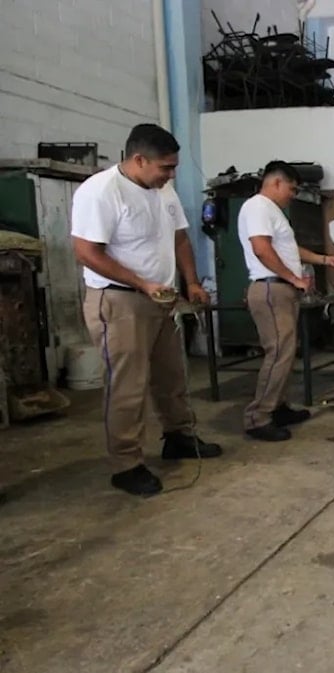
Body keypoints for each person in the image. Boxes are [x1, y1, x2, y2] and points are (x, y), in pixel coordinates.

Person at [71, 123, 222, 497]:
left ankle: (178, 437)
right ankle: (126, 464)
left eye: (173, 167)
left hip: (161, 299)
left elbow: (180, 238)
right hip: (119, 301)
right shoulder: (102, 191)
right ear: (139, 159)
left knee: (172, 376)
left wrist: (192, 282)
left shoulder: (162, 189)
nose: (171, 175)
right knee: (128, 385)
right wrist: (143, 284)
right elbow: (87, 252)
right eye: (165, 168)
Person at [239, 161, 334, 442]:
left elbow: (288, 249)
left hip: (281, 290)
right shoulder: (258, 206)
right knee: (278, 354)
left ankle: (278, 407)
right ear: (276, 182)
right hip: (272, 290)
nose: (292, 195)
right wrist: (293, 279)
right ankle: (258, 417)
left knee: (285, 353)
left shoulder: (273, 211)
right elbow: (261, 249)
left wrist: (323, 259)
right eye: (292, 188)